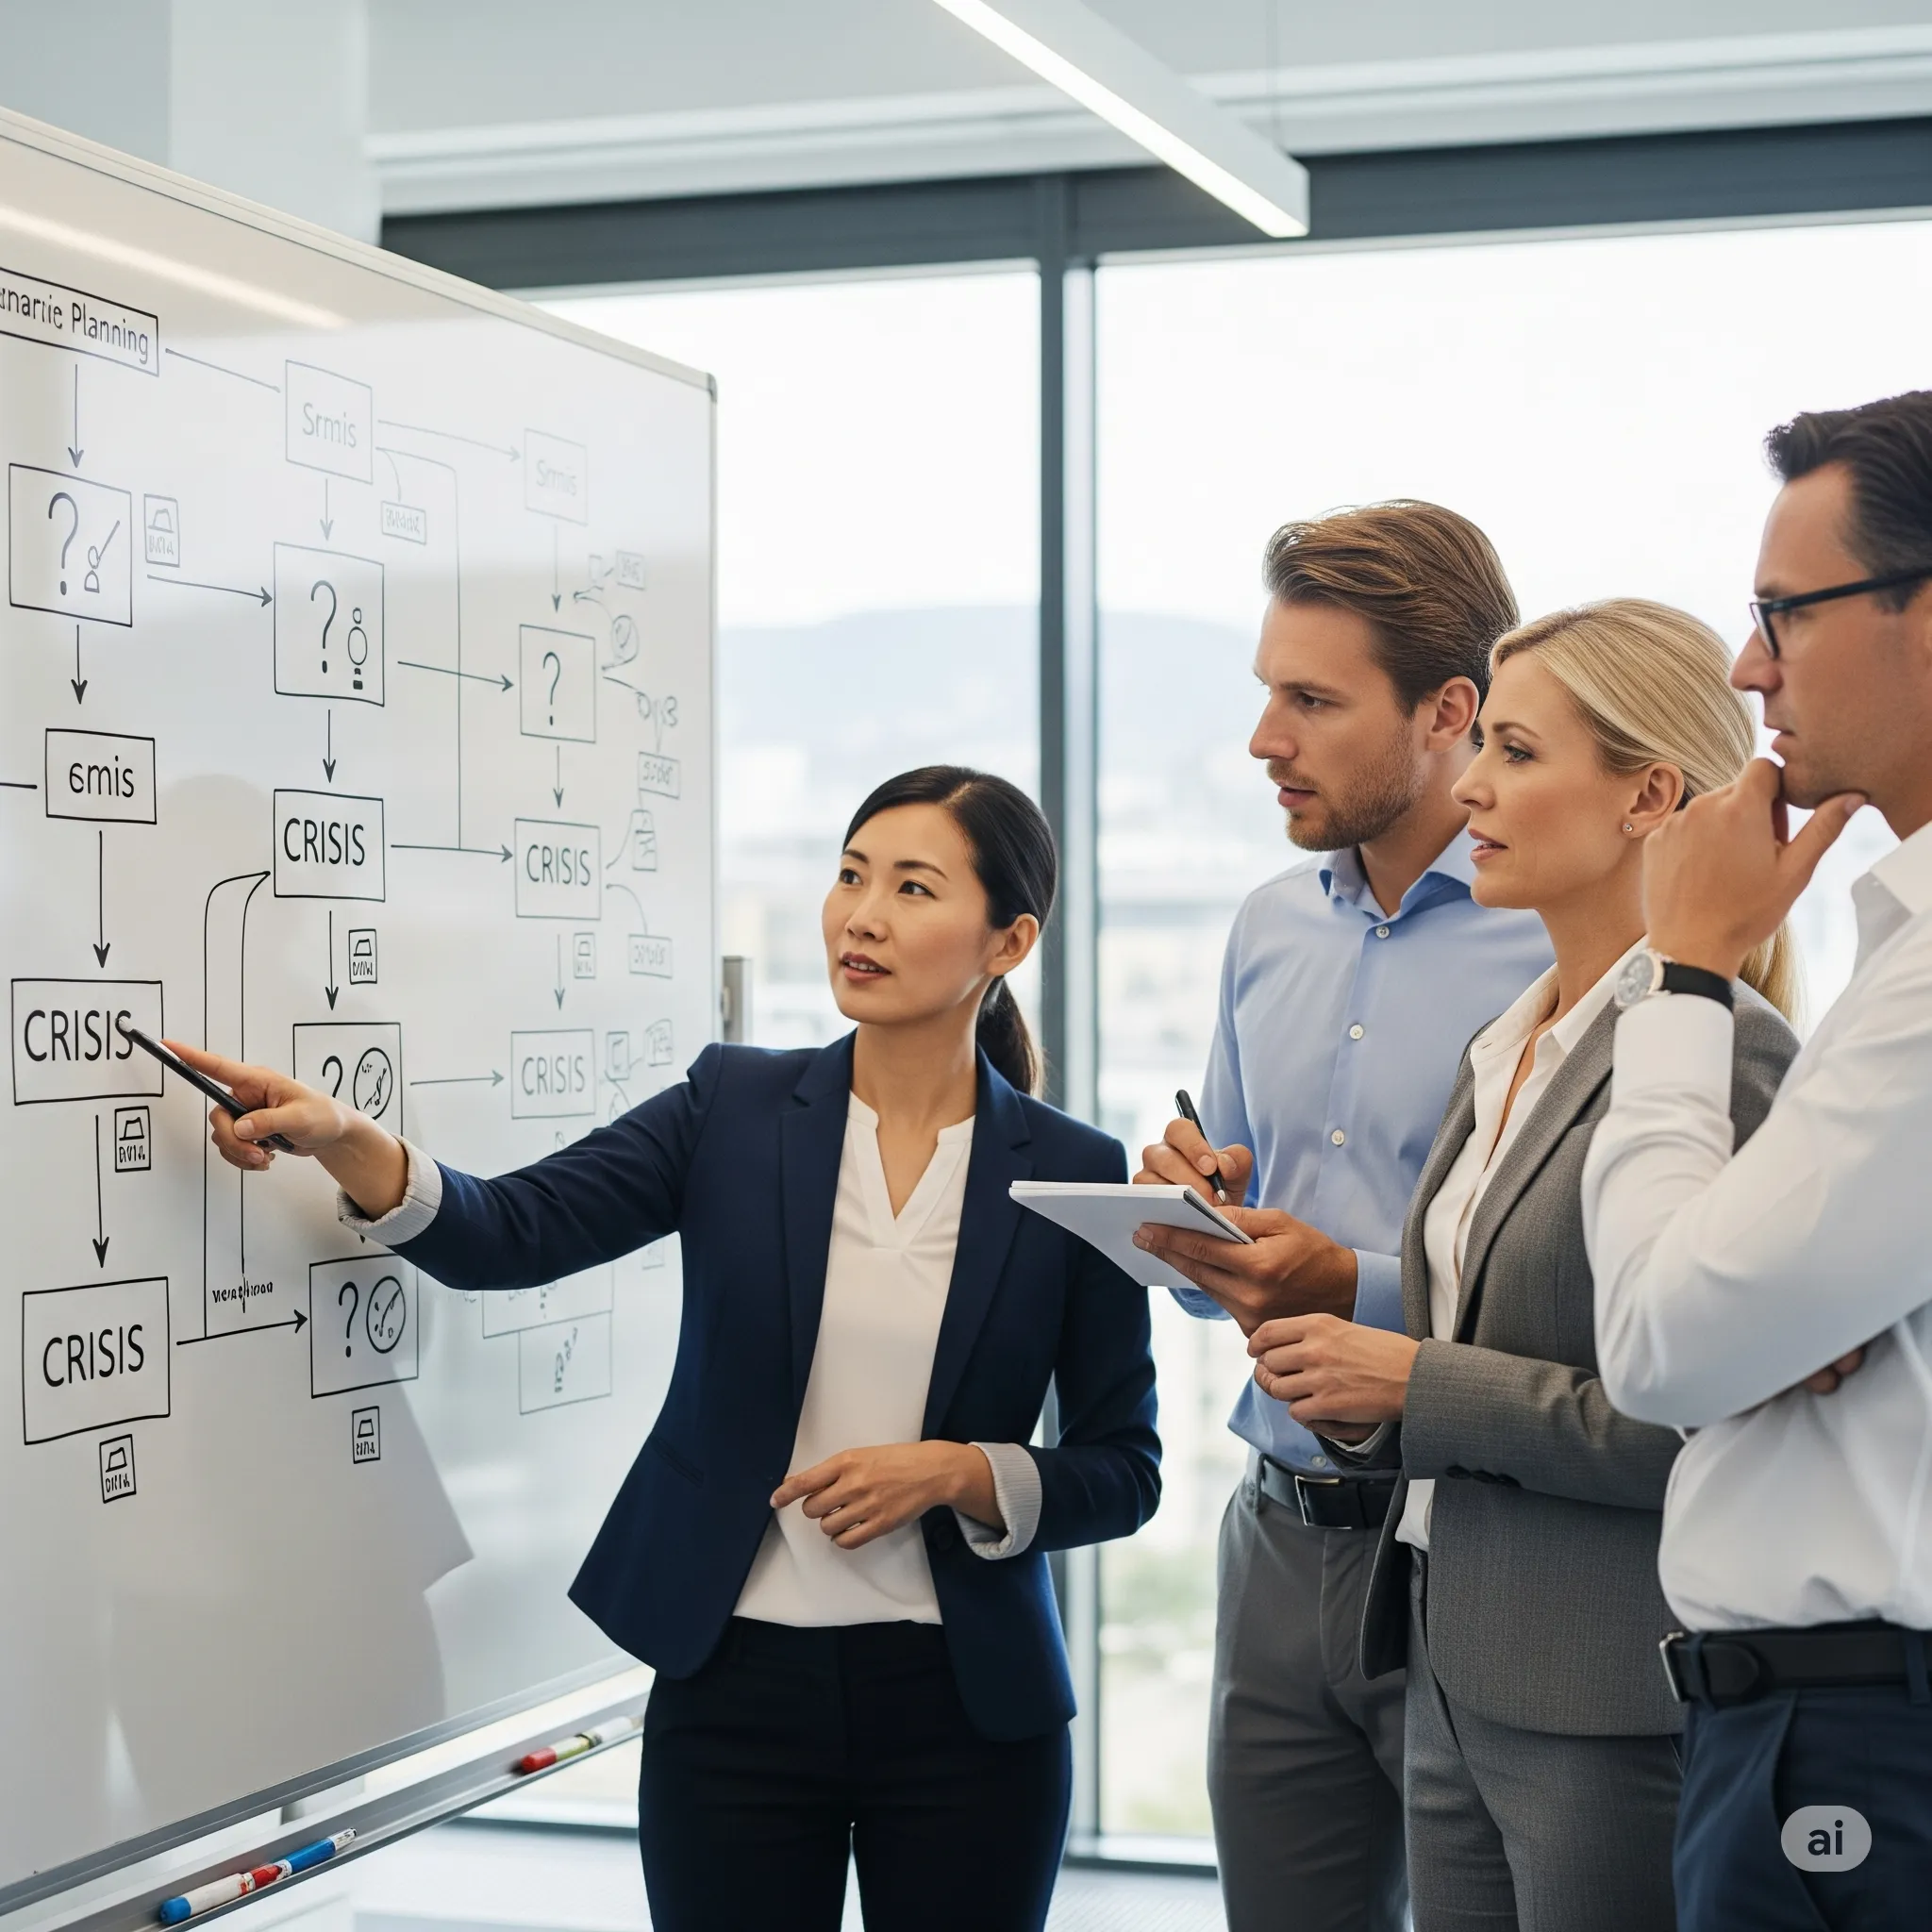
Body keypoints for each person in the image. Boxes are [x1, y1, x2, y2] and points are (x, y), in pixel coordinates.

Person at [180, 765, 1159, 1932]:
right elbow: (512, 1228)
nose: (862, 914)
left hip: (968, 1711)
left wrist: (961, 1471)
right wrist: (343, 1135)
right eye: (849, 875)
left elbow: (1124, 1464)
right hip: (734, 1691)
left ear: (1008, 938)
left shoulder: (1072, 1169)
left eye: (911, 886)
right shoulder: (731, 1108)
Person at [1245, 601, 1799, 1931]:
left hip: (1612, 1700)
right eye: (1480, 743)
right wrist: (1361, 1387)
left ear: (1647, 796)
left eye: (1516, 751)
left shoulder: (1724, 1061)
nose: (1473, 786)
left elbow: (1713, 1426)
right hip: (1451, 1662)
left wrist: (1415, 1386)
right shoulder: (1511, 1042)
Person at [1133, 502, 1553, 1932]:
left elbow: (1587, 1306)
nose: (1266, 738)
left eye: (1311, 700)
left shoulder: (1562, 939)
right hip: (1273, 1535)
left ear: (1453, 711)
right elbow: (1230, 1276)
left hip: (1476, 1537)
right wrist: (1193, 1234)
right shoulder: (1267, 924)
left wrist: (1351, 1285)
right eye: (1268, 693)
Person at [1583, 393, 1932, 1930]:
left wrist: (1680, 969)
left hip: (1856, 1726)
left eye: (1784, 612)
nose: (1749, 666)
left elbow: (1662, 1339)